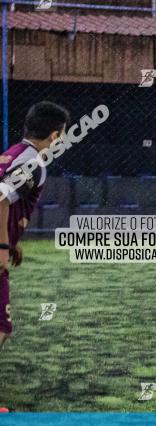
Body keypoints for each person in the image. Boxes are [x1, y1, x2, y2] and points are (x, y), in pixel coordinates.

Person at [0, 102, 70, 354]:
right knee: (1, 327)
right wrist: (3, 246)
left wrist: (12, 239)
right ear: (54, 136)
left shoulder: (14, 152)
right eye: (62, 135)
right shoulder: (32, 164)